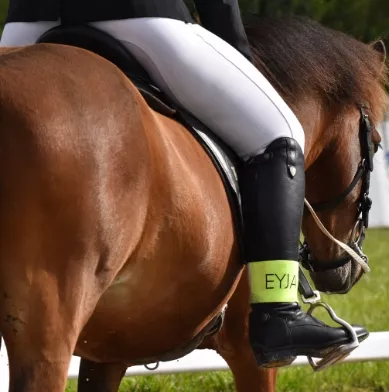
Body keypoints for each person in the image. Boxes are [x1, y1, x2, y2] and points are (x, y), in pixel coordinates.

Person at [0, 0, 367, 367]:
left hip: (26, 23)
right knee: (281, 133)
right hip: (140, 18)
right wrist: (237, 58)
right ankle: (278, 312)